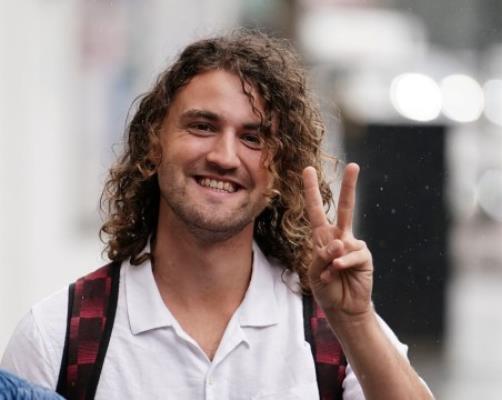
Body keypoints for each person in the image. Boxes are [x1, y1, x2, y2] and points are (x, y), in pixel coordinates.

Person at [1, 30, 432, 399]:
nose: (225, 156)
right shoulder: (60, 337)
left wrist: (354, 321)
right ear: (154, 144)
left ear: (279, 170)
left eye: (252, 137)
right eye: (203, 126)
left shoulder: (331, 332)